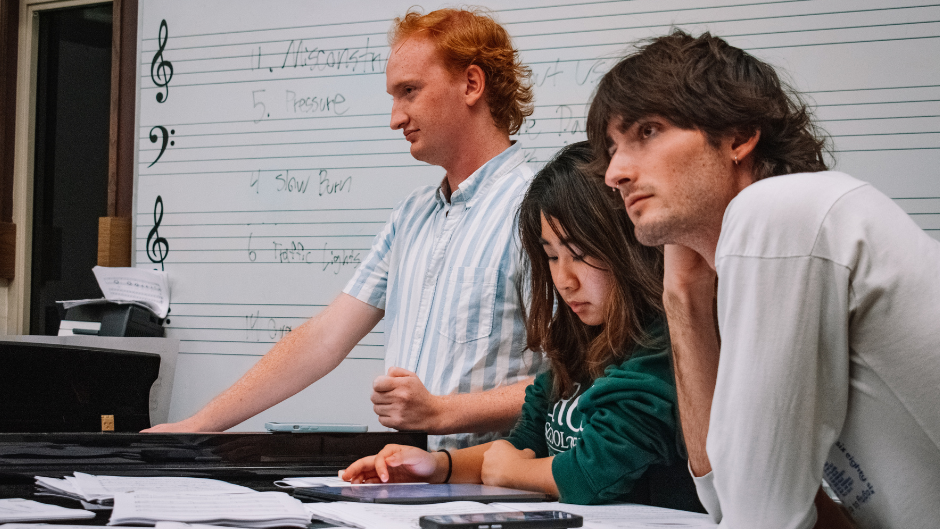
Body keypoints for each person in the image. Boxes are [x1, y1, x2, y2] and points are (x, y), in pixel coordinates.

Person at [146, 8, 548, 450]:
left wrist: (441, 412)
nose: (395, 118)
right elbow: (323, 339)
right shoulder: (412, 216)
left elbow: (576, 381)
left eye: (409, 91)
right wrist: (200, 425)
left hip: (494, 497)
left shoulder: (540, 210)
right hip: (406, 480)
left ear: (472, 84)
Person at [587, 30, 940, 528]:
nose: (615, 173)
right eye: (612, 147)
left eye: (646, 131)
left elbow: (760, 518)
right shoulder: (755, 255)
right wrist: (682, 295)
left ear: (738, 136)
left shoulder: (780, 214)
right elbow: (724, 499)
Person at [341, 142, 702, 509]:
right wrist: (436, 467)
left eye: (579, 254)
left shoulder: (659, 348)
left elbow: (593, 473)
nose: (564, 280)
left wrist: (515, 474)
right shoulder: (580, 340)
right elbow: (522, 445)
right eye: (551, 256)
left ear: (627, 246)